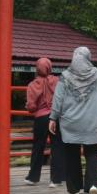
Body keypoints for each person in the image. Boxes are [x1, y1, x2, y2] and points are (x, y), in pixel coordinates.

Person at [49, 47, 97, 194]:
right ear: (88, 58)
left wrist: (53, 118)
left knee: (72, 154)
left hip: (70, 123)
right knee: (92, 153)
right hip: (92, 123)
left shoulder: (65, 77)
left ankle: (74, 188)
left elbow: (58, 100)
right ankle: (92, 187)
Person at [24, 58, 65, 186]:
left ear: (37, 68)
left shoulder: (32, 85)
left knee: (38, 147)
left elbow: (31, 107)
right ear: (50, 67)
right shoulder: (58, 81)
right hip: (55, 118)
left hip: (40, 119)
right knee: (57, 147)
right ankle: (56, 179)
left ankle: (33, 177)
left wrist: (31, 107)